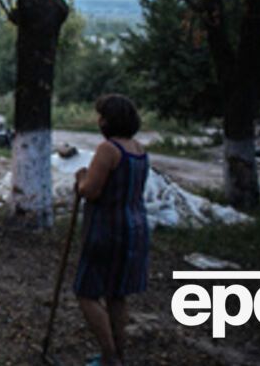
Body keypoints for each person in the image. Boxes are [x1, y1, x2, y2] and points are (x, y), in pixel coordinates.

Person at [73, 94, 150, 366]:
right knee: (117, 295)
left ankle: (109, 356)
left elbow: (91, 191)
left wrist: (81, 179)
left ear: (110, 120)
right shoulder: (138, 149)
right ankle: (119, 354)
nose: (99, 121)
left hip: (107, 230)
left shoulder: (108, 150)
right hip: (136, 229)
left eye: (102, 116)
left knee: (87, 293)